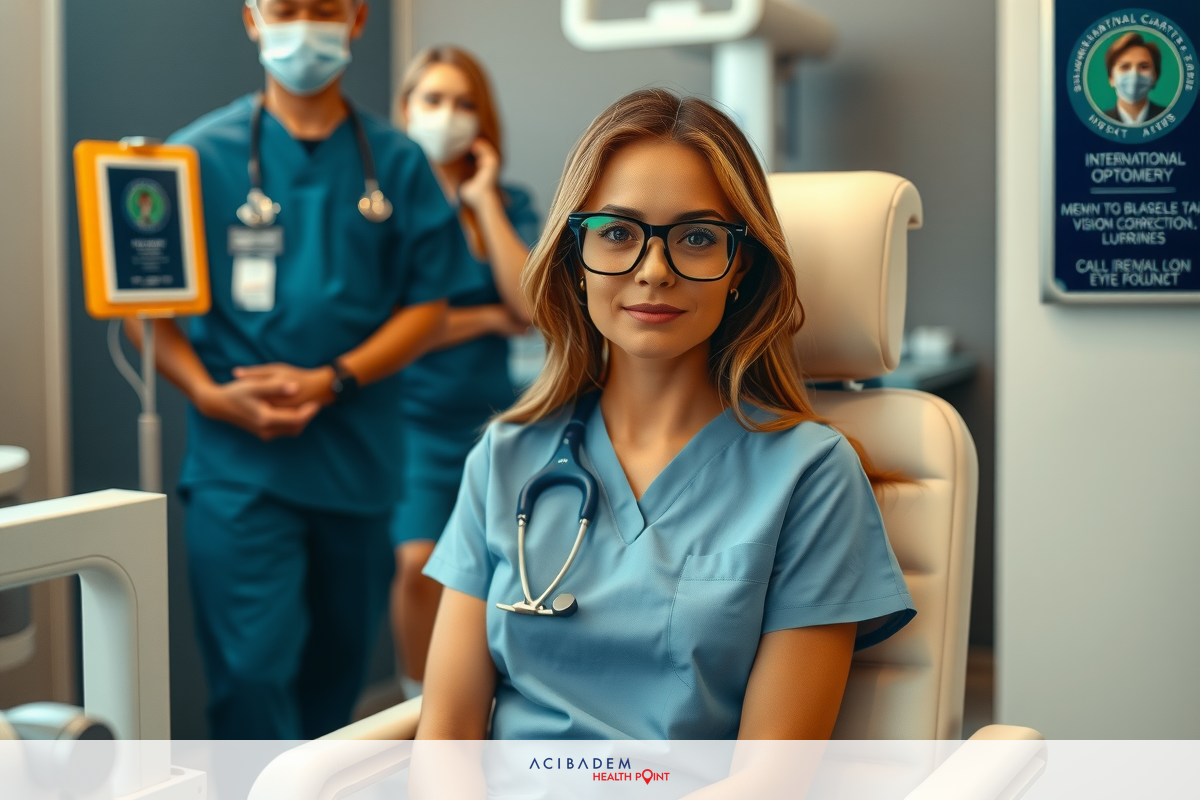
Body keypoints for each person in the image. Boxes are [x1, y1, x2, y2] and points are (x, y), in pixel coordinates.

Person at [416, 89, 915, 740]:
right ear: (576, 257)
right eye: (618, 233)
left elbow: (771, 779)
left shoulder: (811, 476)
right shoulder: (505, 456)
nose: (654, 270)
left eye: (698, 237)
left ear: (740, 266)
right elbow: (446, 738)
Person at [128, 0, 480, 739]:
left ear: (357, 20)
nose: (304, 26)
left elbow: (428, 306)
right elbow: (142, 306)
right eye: (286, 8)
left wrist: (334, 379)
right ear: (252, 19)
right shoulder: (193, 158)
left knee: (336, 681)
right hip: (241, 468)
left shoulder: (397, 162)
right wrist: (207, 395)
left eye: (324, 9)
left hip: (356, 463)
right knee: (250, 680)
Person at [388, 47, 539, 700]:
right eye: (433, 99)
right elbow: (390, 327)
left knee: (494, 570)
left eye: (464, 102)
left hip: (492, 421)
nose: (448, 114)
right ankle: (416, 704)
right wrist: (485, 318)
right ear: (406, 109)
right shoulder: (385, 202)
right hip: (410, 420)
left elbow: (529, 308)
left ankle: (480, 698)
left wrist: (483, 202)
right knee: (418, 563)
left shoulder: (508, 201)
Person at [1102, 32, 1167, 125]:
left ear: (1155, 76)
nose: (1134, 75)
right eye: (1124, 67)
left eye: (1144, 66)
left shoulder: (1170, 117)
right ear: (1111, 78)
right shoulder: (1099, 122)